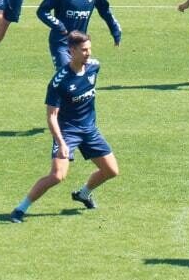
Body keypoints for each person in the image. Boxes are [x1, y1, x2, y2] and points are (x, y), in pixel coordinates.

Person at [10, 32, 119, 223]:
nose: (88, 53)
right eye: (84, 50)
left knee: (111, 171)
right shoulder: (59, 82)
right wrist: (61, 142)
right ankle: (20, 209)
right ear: (72, 50)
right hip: (67, 131)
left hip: (89, 129)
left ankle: (83, 194)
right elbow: (51, 116)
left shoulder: (94, 67)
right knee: (57, 175)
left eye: (89, 49)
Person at [36, 0, 122, 71]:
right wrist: (58, 25)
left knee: (78, 76)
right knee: (66, 73)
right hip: (61, 43)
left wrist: (115, 31)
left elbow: (105, 11)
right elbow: (42, 11)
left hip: (80, 44)